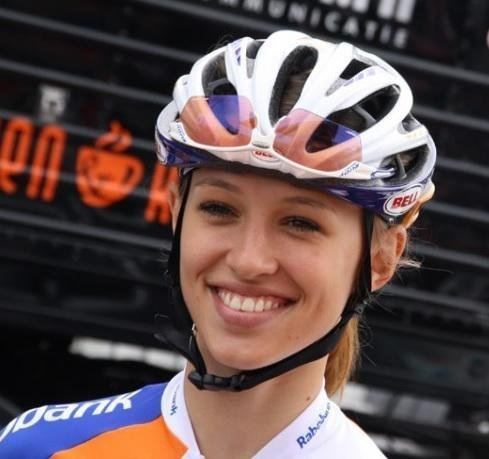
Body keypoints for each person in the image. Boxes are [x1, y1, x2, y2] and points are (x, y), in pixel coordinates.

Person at [0, 30, 436, 458]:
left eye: (300, 222)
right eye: (219, 209)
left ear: (381, 259)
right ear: (176, 213)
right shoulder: (41, 449)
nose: (249, 261)